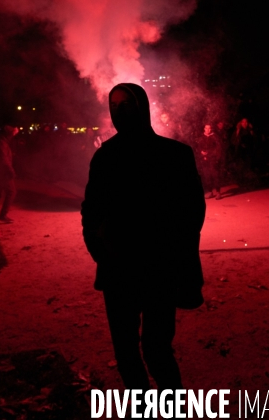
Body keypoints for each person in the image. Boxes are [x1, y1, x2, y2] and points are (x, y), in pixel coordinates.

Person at [81, 83, 205, 396]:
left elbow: (192, 212)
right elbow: (91, 212)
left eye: (127, 104)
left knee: (157, 348)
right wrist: (102, 251)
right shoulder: (106, 157)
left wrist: (177, 254)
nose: (120, 111)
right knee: (126, 351)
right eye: (115, 105)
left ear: (143, 107)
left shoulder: (174, 155)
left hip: (159, 269)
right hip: (119, 269)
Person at [197, 123, 222, 199]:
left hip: (213, 159)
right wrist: (201, 152)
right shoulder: (201, 137)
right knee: (207, 176)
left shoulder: (214, 137)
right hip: (204, 159)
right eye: (206, 128)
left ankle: (218, 192)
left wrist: (210, 153)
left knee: (215, 175)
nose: (208, 130)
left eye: (209, 128)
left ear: (211, 129)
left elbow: (218, 148)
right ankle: (210, 192)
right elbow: (198, 147)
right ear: (204, 129)